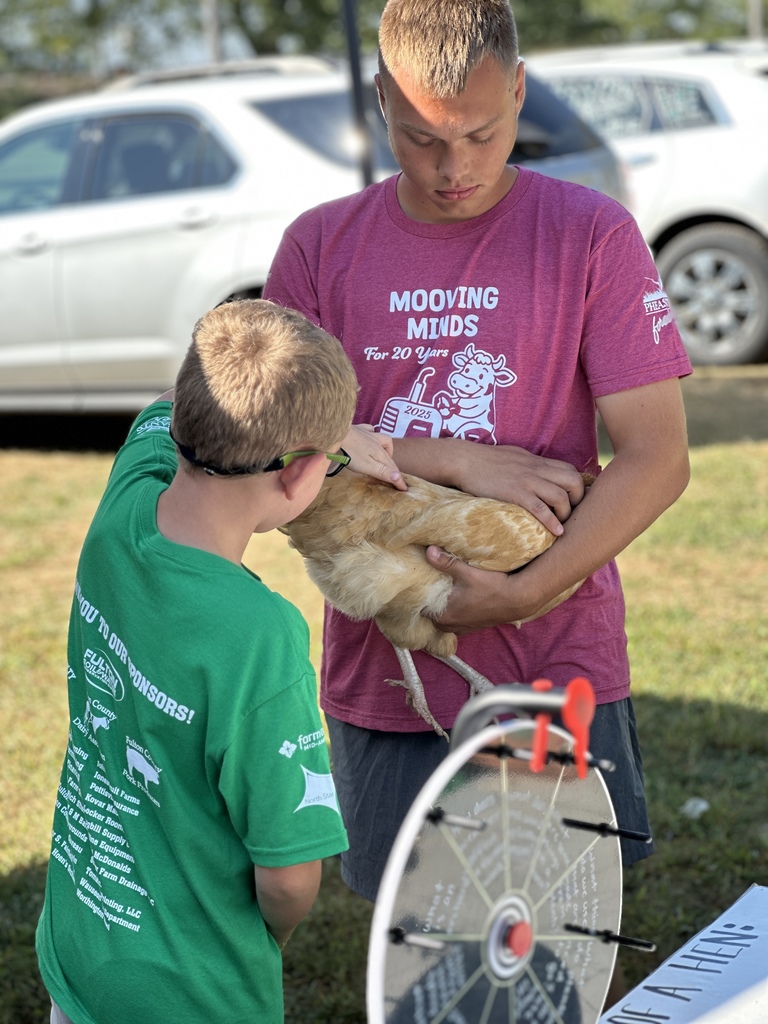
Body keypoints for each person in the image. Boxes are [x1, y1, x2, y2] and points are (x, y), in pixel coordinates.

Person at [263, 0, 692, 914]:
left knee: (564, 935)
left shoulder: (590, 234)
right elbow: (279, 459)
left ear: (522, 92)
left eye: (481, 134)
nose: (452, 168)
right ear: (379, 100)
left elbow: (657, 458)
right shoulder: (319, 247)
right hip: (388, 673)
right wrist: (454, 457)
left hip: (557, 659)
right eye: (419, 138)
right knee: (416, 942)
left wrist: (532, 589)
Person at [35, 299, 403, 1024]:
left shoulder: (128, 499)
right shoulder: (258, 635)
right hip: (193, 995)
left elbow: (165, 408)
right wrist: (263, 934)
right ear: (301, 477)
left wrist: (328, 439)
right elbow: (291, 876)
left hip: (84, 948)